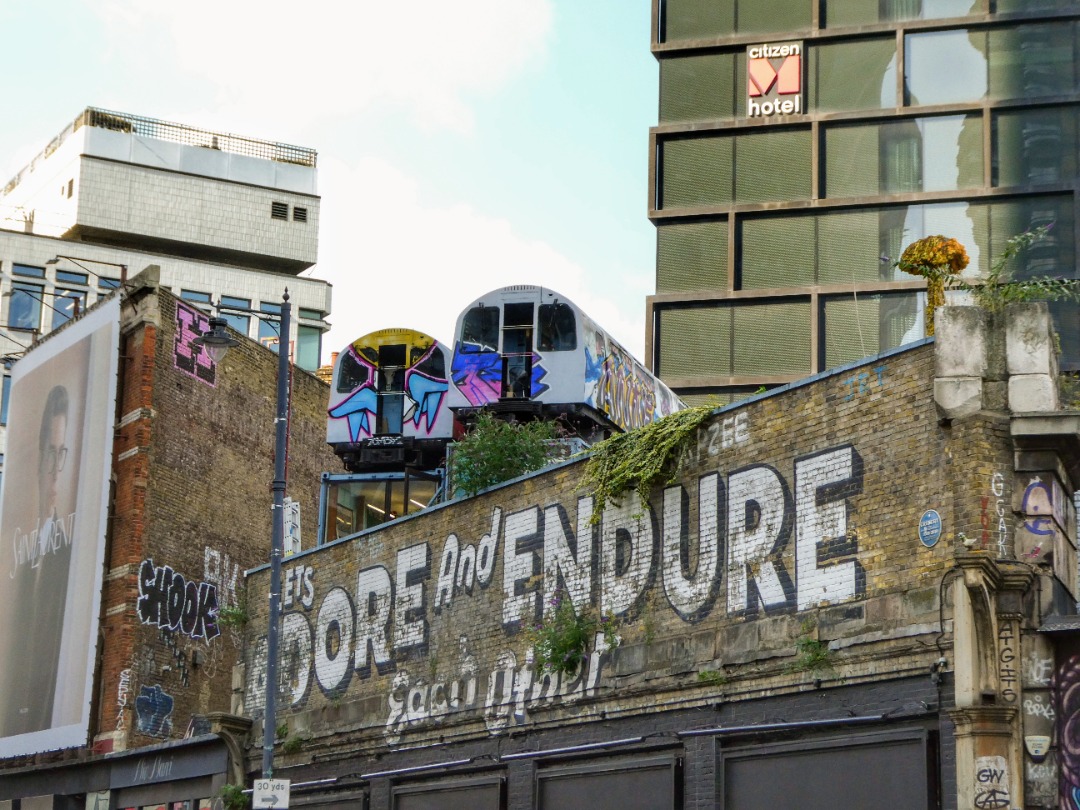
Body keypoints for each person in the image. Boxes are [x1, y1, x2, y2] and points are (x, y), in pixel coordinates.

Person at [0, 385, 72, 735]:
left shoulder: (69, 552)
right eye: (49, 453)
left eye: (61, 454)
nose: (54, 470)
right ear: (38, 458)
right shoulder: (20, 559)